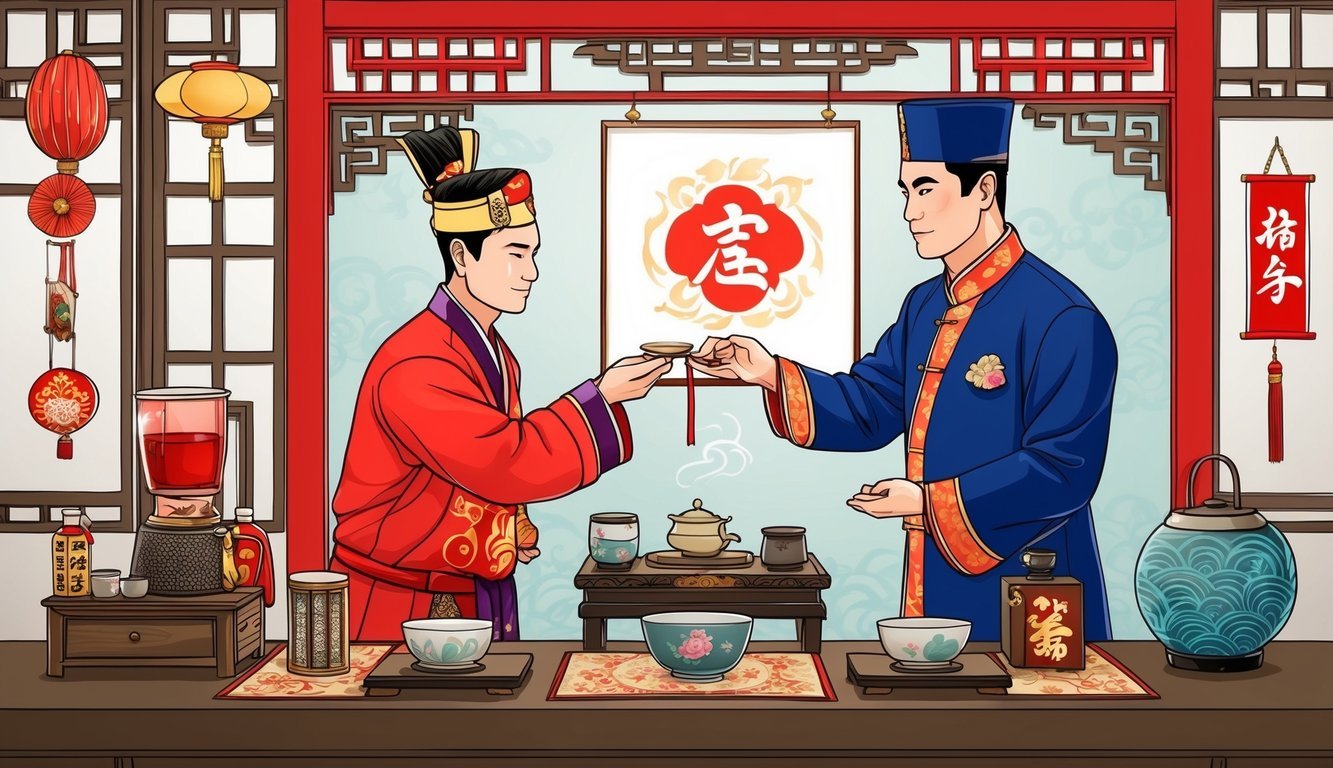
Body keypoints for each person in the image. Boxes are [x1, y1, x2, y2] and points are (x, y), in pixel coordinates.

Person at [689, 98, 1116, 641]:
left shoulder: (1063, 317)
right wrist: (770, 372)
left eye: (925, 189)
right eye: (905, 191)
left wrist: (924, 499)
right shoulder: (924, 305)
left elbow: (1063, 471)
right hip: (933, 564)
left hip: (1032, 578)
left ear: (983, 190)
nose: (910, 210)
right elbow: (872, 404)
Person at [332, 125, 671, 642]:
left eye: (532, 253)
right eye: (515, 253)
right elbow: (502, 460)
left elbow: (473, 475)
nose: (531, 271)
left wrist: (505, 526)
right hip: (405, 601)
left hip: (466, 584)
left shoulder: (490, 349)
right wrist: (602, 397)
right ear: (463, 257)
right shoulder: (419, 361)